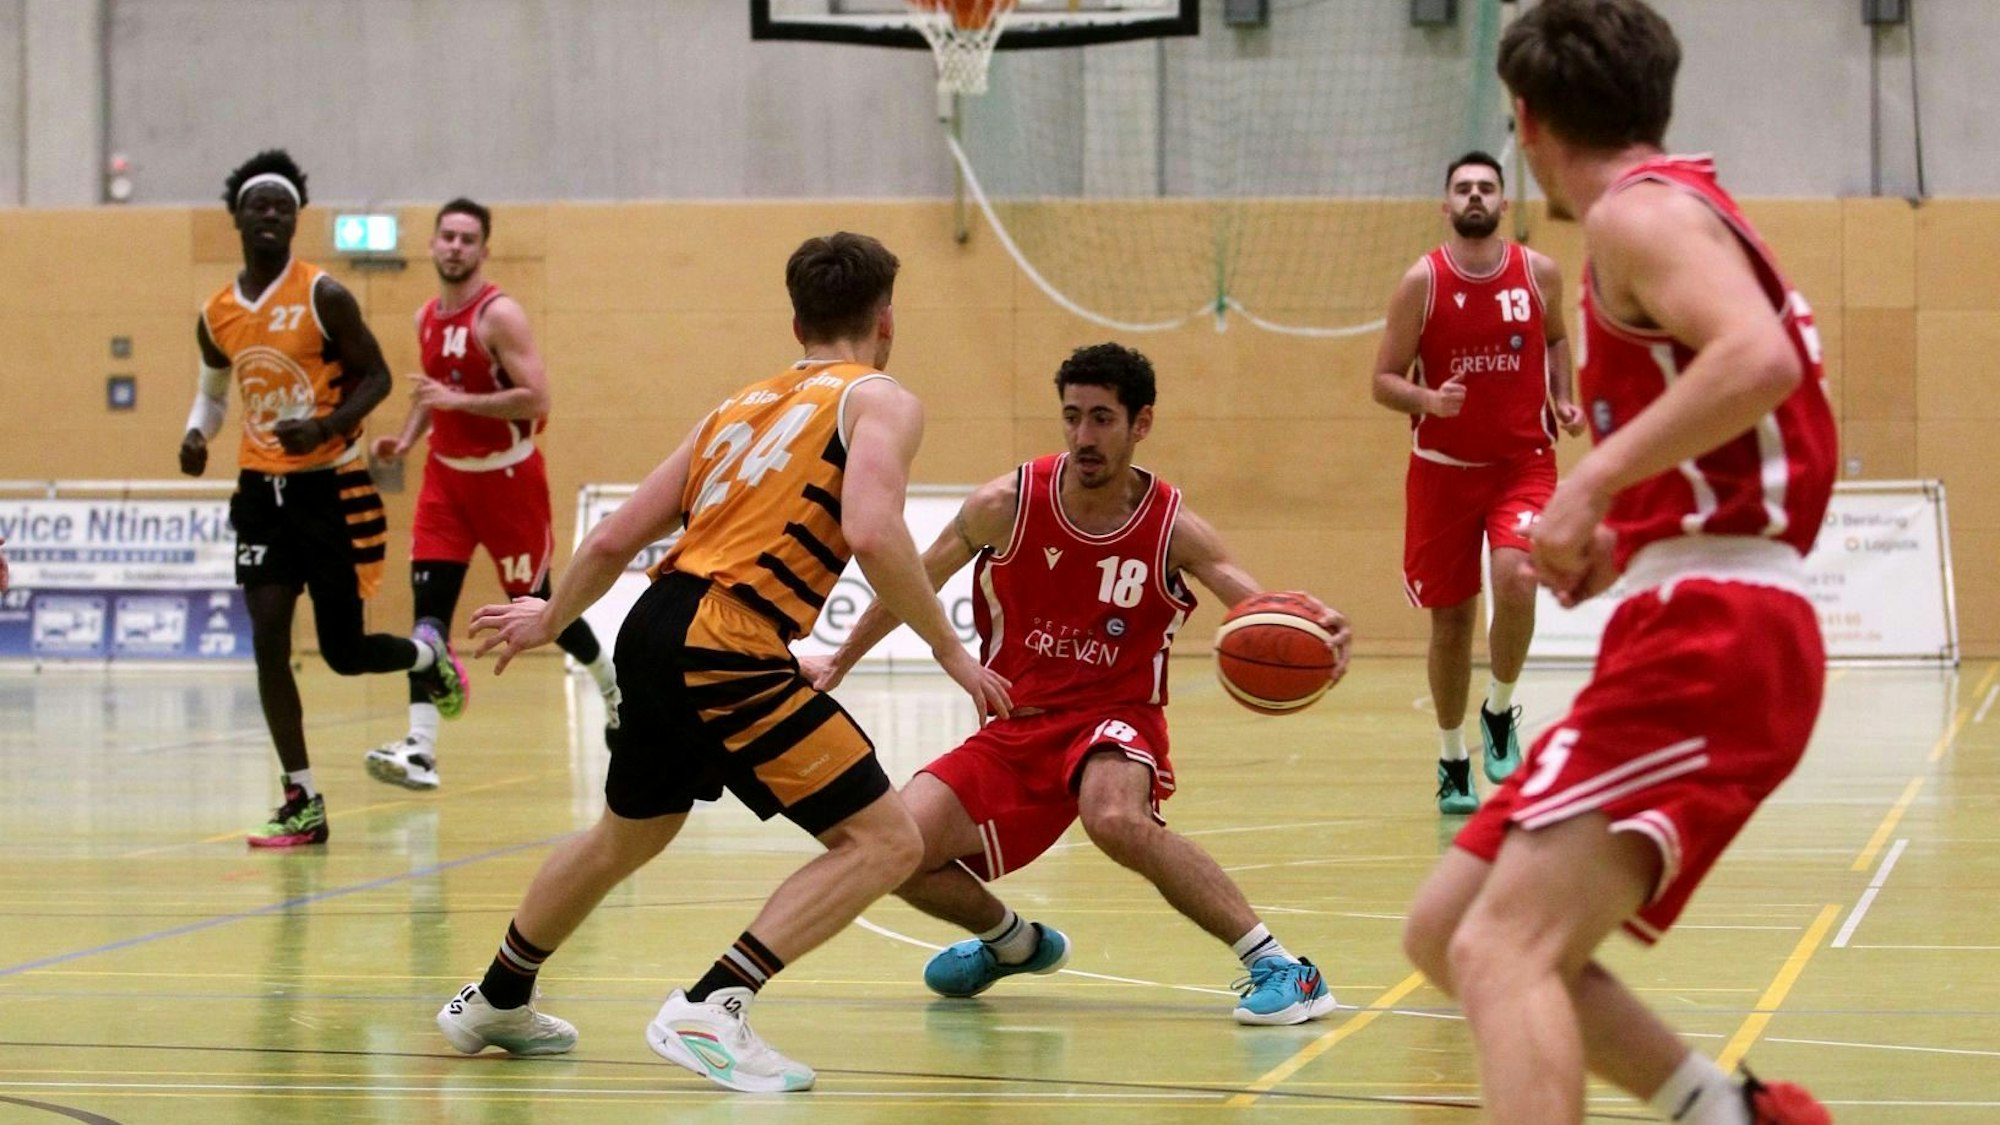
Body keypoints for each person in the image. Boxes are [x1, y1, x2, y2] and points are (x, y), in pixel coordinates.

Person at [434, 232, 1012, 1093]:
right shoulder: (881, 397)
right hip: (727, 636)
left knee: (629, 832)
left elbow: (611, 536)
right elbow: (873, 530)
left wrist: (551, 615)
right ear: (885, 322)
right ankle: (714, 1003)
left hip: (654, 624)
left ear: (795, 320)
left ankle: (496, 996)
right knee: (888, 841)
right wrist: (951, 648)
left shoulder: (735, 407)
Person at [1400, 3, 1836, 1122]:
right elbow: (1744, 424)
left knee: (1502, 948)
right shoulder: (1668, 209)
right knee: (1447, 930)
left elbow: (1757, 359)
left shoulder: (1639, 215)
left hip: (1719, 626)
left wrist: (1585, 483)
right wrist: (1624, 537)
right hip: (1693, 599)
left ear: (1528, 121)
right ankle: (1723, 1111)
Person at [807, 343, 1353, 1025]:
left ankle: (1282, 965)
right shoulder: (1005, 504)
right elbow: (911, 579)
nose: (1083, 436)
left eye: (1101, 418)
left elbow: (1249, 601)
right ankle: (1013, 942)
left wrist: (1309, 622)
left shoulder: (1171, 526)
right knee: (891, 845)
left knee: (1114, 816)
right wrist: (836, 662)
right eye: (1072, 417)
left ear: (1140, 423)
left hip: (1115, 716)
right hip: (1015, 723)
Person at [179, 149, 466, 848]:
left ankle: (427, 656)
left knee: (343, 651)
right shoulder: (217, 314)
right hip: (259, 495)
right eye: (259, 205)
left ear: (295, 219)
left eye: (282, 205)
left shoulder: (323, 295)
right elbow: (213, 396)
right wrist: (194, 434)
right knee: (269, 642)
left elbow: (379, 379)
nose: (271, 214)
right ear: (238, 219)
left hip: (329, 490)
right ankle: (302, 798)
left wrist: (329, 426)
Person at [362, 198, 618, 790]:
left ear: (483, 250)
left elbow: (537, 398)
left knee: (540, 608)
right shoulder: (427, 315)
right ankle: (420, 750)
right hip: (445, 483)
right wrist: (403, 442)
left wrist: (461, 404)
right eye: (446, 236)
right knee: (427, 620)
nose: (454, 246)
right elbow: (432, 395)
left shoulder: (498, 316)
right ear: (431, 244)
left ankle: (614, 687)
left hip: (506, 479)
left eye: (466, 239)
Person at [1372, 150, 1581, 815]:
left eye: (1485, 187)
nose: (1474, 196)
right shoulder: (1422, 283)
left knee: (1518, 577)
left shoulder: (1537, 272)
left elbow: (1555, 340)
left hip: (1524, 463)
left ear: (1502, 204)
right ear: (1445, 204)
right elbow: (1383, 380)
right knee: (1453, 621)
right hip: (1443, 475)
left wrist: (1564, 398)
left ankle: (1499, 710)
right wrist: (1426, 402)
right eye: (1461, 187)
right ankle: (1453, 755)